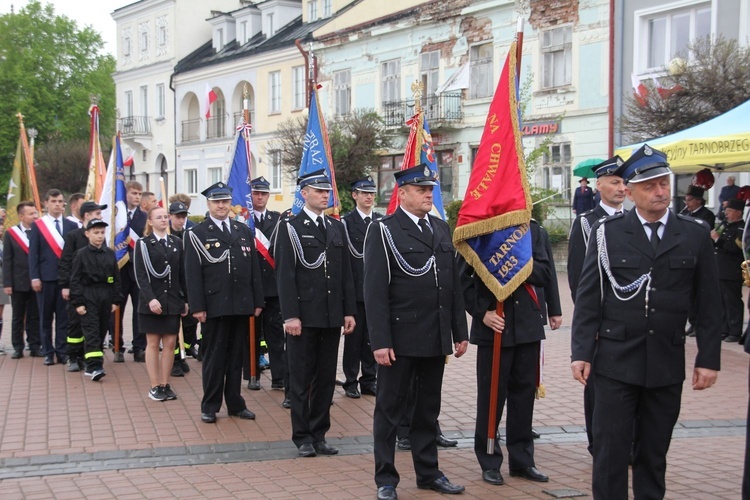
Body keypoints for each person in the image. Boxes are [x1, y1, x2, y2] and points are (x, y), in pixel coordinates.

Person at [571, 144, 722, 499]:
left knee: (653, 456)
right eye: (651, 185)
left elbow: (709, 303)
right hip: (614, 361)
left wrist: (709, 358)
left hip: (665, 364)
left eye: (664, 184)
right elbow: (589, 297)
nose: (660, 192)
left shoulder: (694, 234)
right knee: (609, 455)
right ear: (631, 190)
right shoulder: (608, 232)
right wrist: (581, 352)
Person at [364, 164, 468, 500]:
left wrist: (459, 329)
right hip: (399, 338)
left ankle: (428, 472)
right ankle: (386, 479)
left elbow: (451, 285)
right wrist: (380, 341)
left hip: (435, 336)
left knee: (427, 410)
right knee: (390, 411)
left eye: (430, 189)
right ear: (402, 193)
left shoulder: (440, 228)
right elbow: (375, 292)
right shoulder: (385, 230)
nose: (428, 194)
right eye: (421, 189)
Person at [460, 219, 554, 487]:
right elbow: (461, 279)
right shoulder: (482, 230)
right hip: (494, 327)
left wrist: (515, 261)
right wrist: (482, 313)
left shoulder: (532, 230)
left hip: (526, 327)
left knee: (524, 398)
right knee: (491, 398)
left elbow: (545, 273)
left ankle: (523, 460)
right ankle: (489, 460)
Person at [276, 170, 356, 457]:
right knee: (301, 377)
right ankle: (302, 436)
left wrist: (348, 311)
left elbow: (345, 274)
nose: (325, 195)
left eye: (327, 191)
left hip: (331, 315)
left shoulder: (337, 228)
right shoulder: (290, 227)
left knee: (325, 378)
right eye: (318, 190)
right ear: (304, 194)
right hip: (304, 316)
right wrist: (290, 316)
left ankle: (320, 433)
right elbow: (285, 275)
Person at [184, 181, 264, 424]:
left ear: (231, 203)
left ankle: (235, 403)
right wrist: (197, 306)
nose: (222, 205)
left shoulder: (242, 231)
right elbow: (192, 274)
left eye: (225, 201)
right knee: (214, 357)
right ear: (208, 204)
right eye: (217, 201)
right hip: (214, 306)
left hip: (240, 304)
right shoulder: (197, 234)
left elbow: (254, 270)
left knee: (236, 358)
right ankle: (210, 405)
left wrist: (257, 300)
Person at [566, 156, 627, 454]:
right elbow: (578, 279)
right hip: (600, 321)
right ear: (598, 184)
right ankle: (598, 443)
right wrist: (591, 324)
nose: (621, 188)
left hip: (626, 323)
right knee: (597, 385)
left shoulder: (632, 222)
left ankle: (626, 443)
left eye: (624, 182)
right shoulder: (587, 223)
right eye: (614, 182)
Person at [134, 206, 188, 401]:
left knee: (171, 343)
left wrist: (185, 299)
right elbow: (140, 275)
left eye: (166, 217)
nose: (164, 220)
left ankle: (165, 384)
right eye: (159, 217)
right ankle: (154, 385)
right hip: (152, 301)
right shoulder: (143, 244)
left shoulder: (176, 243)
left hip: (172, 299)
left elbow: (182, 274)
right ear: (150, 221)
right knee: (153, 343)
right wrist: (151, 299)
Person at [243, 177, 286, 403]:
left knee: (276, 334)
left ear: (268, 196)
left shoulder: (277, 220)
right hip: (250, 287)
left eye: (263, 194)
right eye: (255, 194)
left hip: (272, 287)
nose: (259, 197)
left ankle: (279, 376)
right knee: (251, 334)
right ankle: (252, 374)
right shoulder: (243, 220)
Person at [29, 188, 79, 366]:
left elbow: (73, 255)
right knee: (45, 317)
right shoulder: (38, 226)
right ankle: (48, 352)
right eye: (54, 201)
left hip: (64, 280)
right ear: (46, 203)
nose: (58, 205)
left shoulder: (71, 226)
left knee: (63, 317)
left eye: (60, 201)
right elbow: (33, 253)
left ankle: (62, 350)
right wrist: (34, 277)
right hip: (45, 278)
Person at [341, 175, 380, 399]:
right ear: (354, 195)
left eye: (371, 193)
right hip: (355, 291)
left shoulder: (380, 221)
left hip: (375, 291)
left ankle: (369, 379)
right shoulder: (346, 223)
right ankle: (350, 381)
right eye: (364, 193)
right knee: (353, 340)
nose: (368, 197)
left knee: (371, 338)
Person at [70, 219, 123, 382]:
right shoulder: (81, 254)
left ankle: (90, 360)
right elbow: (75, 279)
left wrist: (116, 299)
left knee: (101, 331)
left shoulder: (109, 253)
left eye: (102, 232)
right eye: (96, 232)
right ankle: (94, 366)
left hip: (105, 297)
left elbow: (116, 278)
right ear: (87, 234)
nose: (100, 236)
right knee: (91, 330)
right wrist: (78, 302)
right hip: (88, 296)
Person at [58, 201, 107, 372]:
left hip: (95, 291)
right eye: (98, 214)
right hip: (77, 287)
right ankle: (73, 356)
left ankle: (88, 356)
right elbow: (65, 262)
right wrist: (65, 285)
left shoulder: (101, 236)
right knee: (75, 324)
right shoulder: (73, 236)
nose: (100, 217)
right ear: (87, 215)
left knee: (94, 325)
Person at [112, 180, 147, 362]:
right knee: (117, 308)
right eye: (133, 193)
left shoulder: (144, 217)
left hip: (138, 270)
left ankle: (139, 346)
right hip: (119, 270)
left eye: (139, 194)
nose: (136, 197)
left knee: (139, 311)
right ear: (125, 194)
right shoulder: (116, 215)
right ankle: (117, 346)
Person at [3, 201, 42, 358]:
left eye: (35, 213)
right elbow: (7, 260)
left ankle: (35, 346)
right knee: (18, 316)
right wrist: (7, 283)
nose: (35, 216)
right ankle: (18, 346)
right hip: (18, 282)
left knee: (35, 315)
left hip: (36, 281)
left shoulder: (40, 231)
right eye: (31, 214)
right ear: (21, 216)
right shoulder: (11, 233)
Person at [168, 200, 198, 376]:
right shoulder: (167, 236)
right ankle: (175, 360)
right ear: (171, 216)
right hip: (172, 286)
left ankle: (184, 351)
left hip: (188, 283)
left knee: (190, 323)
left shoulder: (189, 233)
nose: (181, 220)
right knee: (173, 325)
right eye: (177, 217)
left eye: (183, 217)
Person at [711, 198, 745, 343]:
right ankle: (724, 329)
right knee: (721, 302)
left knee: (732, 302)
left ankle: (735, 331)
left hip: (732, 271)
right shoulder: (726, 226)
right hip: (720, 269)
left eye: (730, 211)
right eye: (726, 211)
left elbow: (735, 248)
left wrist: (718, 240)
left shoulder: (741, 228)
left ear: (738, 212)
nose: (727, 214)